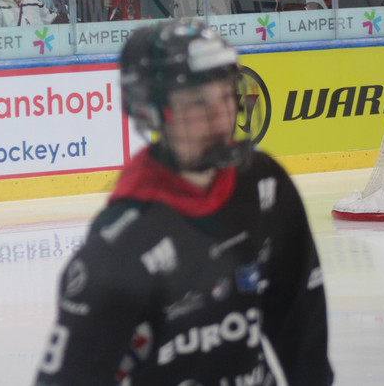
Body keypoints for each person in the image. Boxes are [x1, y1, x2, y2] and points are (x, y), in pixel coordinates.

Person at [35, 19, 333, 385]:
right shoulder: (121, 244)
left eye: (225, 95)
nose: (220, 116)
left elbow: (301, 324)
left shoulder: (264, 184)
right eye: (197, 102)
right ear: (150, 111)